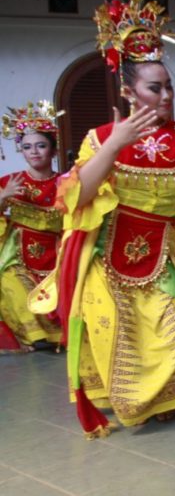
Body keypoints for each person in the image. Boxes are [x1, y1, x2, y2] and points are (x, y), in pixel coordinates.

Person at [30, 0, 175, 438]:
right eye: (153, 88)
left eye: (167, 87)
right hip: (107, 251)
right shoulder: (100, 137)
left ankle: (162, 396)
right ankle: (135, 404)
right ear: (128, 91)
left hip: (163, 251)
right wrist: (113, 146)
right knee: (116, 333)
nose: (165, 96)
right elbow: (76, 195)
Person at [0, 101, 64, 353]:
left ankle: (55, 335)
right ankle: (35, 335)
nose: (34, 152)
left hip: (55, 253)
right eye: (27, 147)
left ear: (53, 150)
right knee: (10, 281)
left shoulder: (65, 182)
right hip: (18, 253)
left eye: (40, 145)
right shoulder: (9, 181)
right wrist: (4, 196)